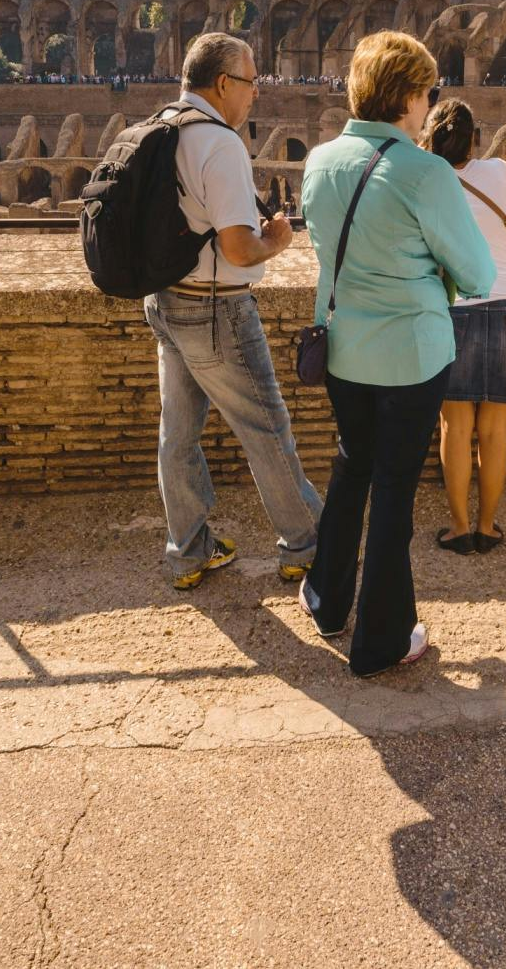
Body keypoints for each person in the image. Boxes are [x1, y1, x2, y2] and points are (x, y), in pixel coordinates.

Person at [299, 33, 495, 676]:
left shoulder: (319, 161)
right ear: (411, 95)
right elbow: (477, 275)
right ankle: (382, 639)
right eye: (427, 91)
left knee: (352, 465)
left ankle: (328, 600)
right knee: (393, 491)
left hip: (344, 349)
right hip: (412, 357)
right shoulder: (424, 170)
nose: (428, 103)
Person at [143, 33, 322, 591]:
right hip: (216, 309)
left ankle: (188, 553)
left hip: (165, 301)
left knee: (177, 434)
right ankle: (308, 545)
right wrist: (278, 242)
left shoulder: (162, 126)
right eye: (251, 83)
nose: (256, 96)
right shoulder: (218, 143)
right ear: (223, 83)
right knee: (267, 429)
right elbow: (240, 249)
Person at [419, 98, 506, 555]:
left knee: (454, 426)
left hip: (459, 306)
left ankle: (458, 528)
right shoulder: (499, 171)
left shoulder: (426, 182)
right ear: (475, 141)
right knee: (495, 429)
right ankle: (488, 526)